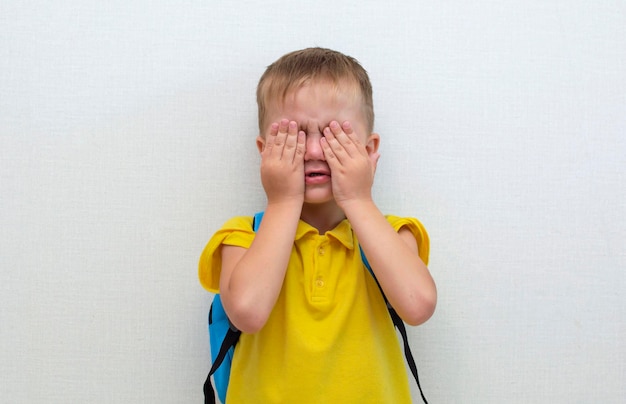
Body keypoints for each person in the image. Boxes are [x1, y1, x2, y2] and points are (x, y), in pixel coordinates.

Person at [199, 47, 437, 403]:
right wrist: (282, 200)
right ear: (265, 151)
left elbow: (418, 306)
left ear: (370, 151)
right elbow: (248, 312)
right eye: (293, 137)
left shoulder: (395, 234)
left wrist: (358, 198)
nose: (312, 151)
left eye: (333, 135)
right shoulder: (242, 237)